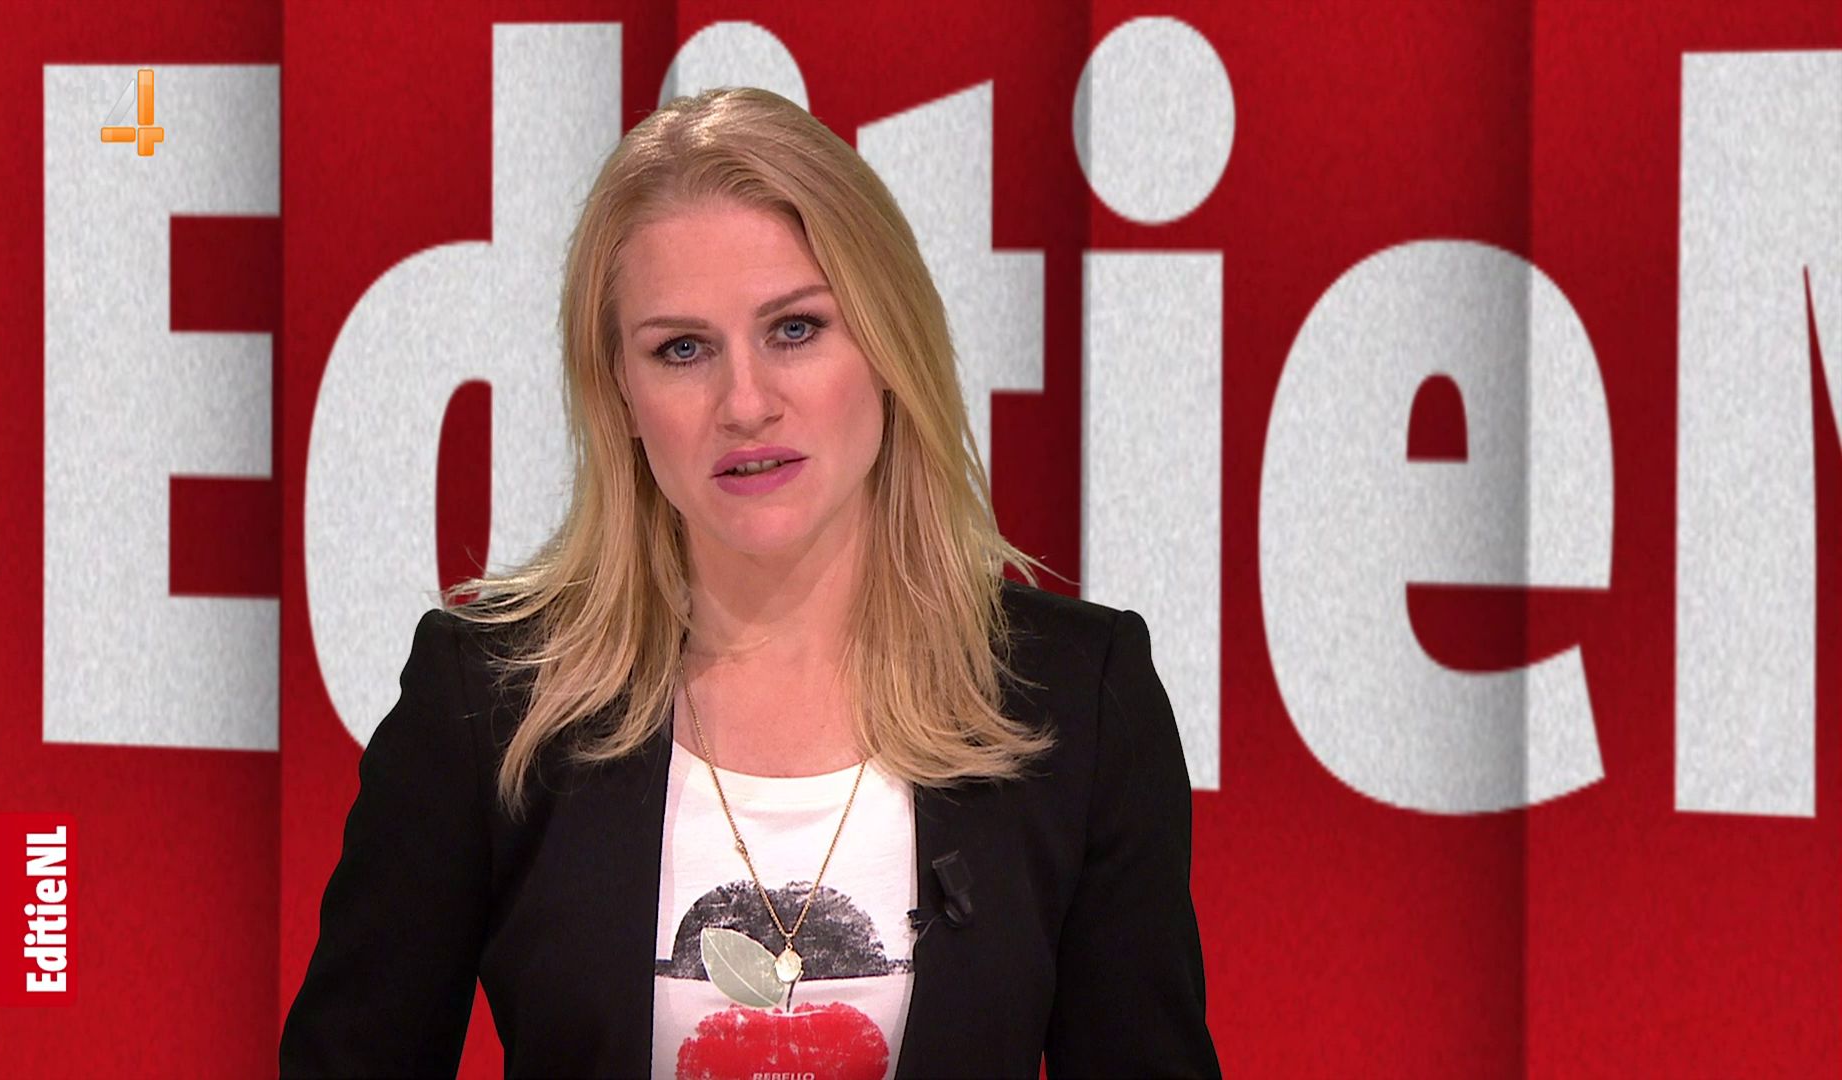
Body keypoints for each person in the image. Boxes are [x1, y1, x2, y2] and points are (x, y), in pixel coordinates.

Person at [279, 86, 1221, 1079]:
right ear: (622, 394)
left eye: (795, 330)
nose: (744, 402)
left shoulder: (1077, 697)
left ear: (888, 345)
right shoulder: (491, 701)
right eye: (682, 349)